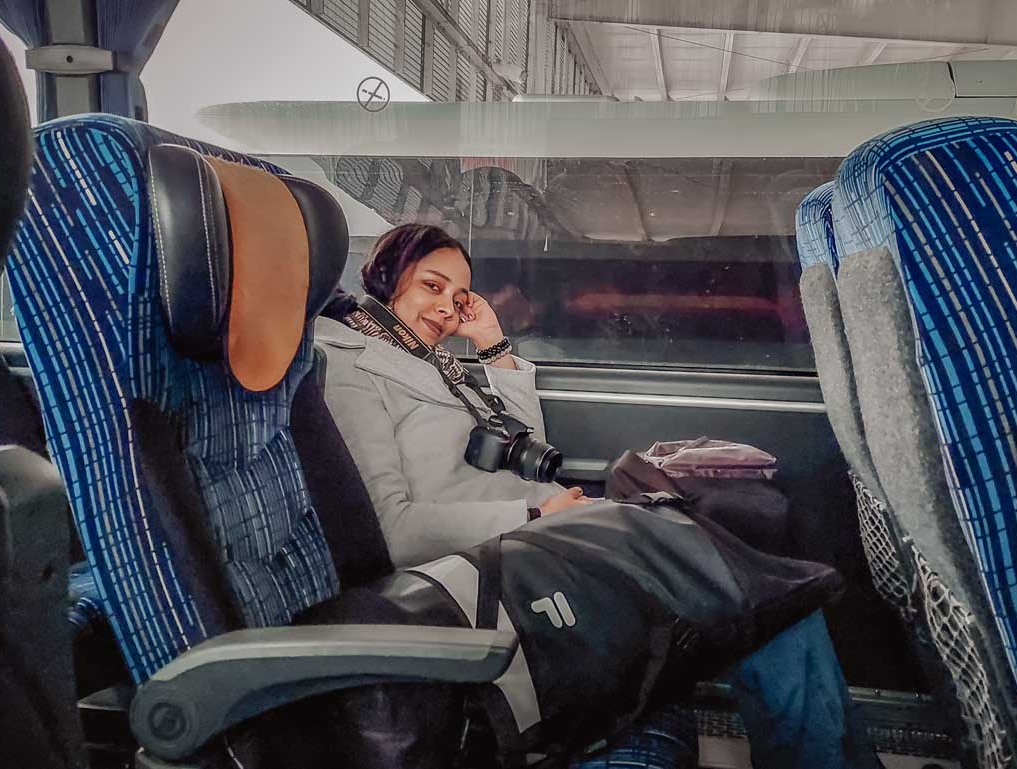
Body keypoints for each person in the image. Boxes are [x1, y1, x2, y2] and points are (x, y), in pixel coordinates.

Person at [316, 224, 879, 769]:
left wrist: (491, 345)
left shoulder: (429, 361)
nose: (447, 308)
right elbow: (393, 530)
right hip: (504, 574)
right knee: (759, 596)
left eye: (459, 295)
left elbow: (523, 449)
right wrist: (535, 512)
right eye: (431, 286)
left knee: (763, 591)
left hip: (548, 539)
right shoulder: (351, 367)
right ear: (388, 279)